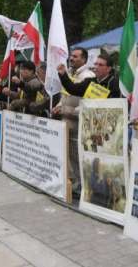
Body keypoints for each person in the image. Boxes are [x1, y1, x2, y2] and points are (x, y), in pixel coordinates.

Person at [53, 48, 95, 196]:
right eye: (71, 56)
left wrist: (67, 110)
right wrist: (58, 106)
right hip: (66, 120)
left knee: (76, 155)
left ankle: (80, 186)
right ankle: (73, 182)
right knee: (68, 155)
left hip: (77, 122)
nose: (71, 58)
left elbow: (86, 103)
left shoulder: (88, 76)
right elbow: (65, 94)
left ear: (84, 59)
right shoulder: (72, 74)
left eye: (75, 56)